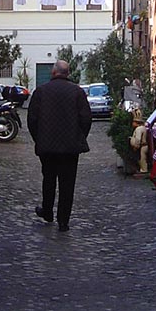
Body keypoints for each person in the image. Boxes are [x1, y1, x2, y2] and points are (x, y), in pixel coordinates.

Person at [26, 60, 92, 232]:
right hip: (70, 147)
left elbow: (32, 119)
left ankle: (47, 211)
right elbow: (86, 118)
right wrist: (79, 137)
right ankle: (64, 221)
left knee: (48, 179)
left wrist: (38, 139)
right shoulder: (77, 92)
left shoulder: (41, 92)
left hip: (47, 146)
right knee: (67, 183)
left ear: (53, 73)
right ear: (68, 73)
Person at [129, 109, 150, 174]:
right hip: (143, 146)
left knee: (142, 159)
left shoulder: (139, 129)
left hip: (142, 147)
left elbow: (138, 139)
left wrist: (136, 146)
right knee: (142, 158)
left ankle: (144, 170)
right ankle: (143, 169)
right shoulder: (142, 128)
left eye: (133, 122)